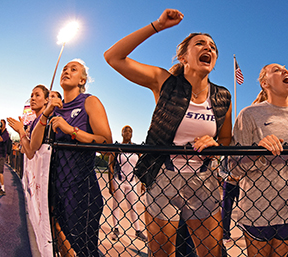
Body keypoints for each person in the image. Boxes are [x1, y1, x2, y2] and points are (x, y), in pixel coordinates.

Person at [104, 9, 232, 257]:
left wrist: (214, 143)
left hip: (203, 180)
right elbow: (113, 57)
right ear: (183, 56)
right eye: (200, 43)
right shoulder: (164, 81)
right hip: (164, 178)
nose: (209, 48)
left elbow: (225, 139)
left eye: (213, 47)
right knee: (162, 253)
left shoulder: (222, 96)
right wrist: (158, 26)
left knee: (211, 253)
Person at [230, 64, 288, 257]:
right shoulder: (249, 114)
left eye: (286, 69)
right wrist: (257, 152)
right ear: (264, 83)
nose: (285, 71)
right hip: (258, 209)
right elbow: (232, 169)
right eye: (276, 70)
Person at [30, 59, 113, 256]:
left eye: (73, 69)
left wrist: (71, 130)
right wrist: (45, 115)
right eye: (65, 68)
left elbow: (107, 144)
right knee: (61, 247)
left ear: (82, 79)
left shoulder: (89, 101)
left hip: (82, 192)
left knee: (84, 251)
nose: (66, 71)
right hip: (56, 190)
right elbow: (33, 147)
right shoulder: (55, 109)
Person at [108, 125, 147, 242]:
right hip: (119, 181)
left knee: (133, 207)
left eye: (130, 130)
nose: (128, 132)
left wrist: (143, 182)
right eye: (126, 130)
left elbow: (142, 166)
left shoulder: (136, 149)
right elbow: (110, 164)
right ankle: (116, 228)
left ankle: (138, 230)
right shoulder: (117, 147)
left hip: (132, 182)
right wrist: (110, 183)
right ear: (121, 133)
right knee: (116, 205)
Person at [7, 85, 50, 159]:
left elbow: (31, 153)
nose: (33, 98)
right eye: (32, 96)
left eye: (37, 95)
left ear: (46, 100)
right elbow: (24, 150)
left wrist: (21, 130)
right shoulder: (33, 122)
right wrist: (22, 133)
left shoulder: (47, 119)